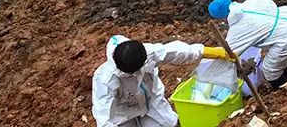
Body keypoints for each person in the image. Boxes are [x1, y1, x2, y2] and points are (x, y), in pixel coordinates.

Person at [92, 35, 229, 127]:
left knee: (170, 123)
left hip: (151, 102)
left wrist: (208, 52)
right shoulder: (105, 79)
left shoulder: (148, 53)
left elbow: (177, 51)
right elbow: (104, 116)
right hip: (123, 113)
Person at [208, 0, 287, 90]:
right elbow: (268, 3)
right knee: (283, 55)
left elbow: (228, 52)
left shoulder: (238, 29)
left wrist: (207, 61)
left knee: (270, 69)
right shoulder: (249, 4)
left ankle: (283, 89)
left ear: (223, 17)